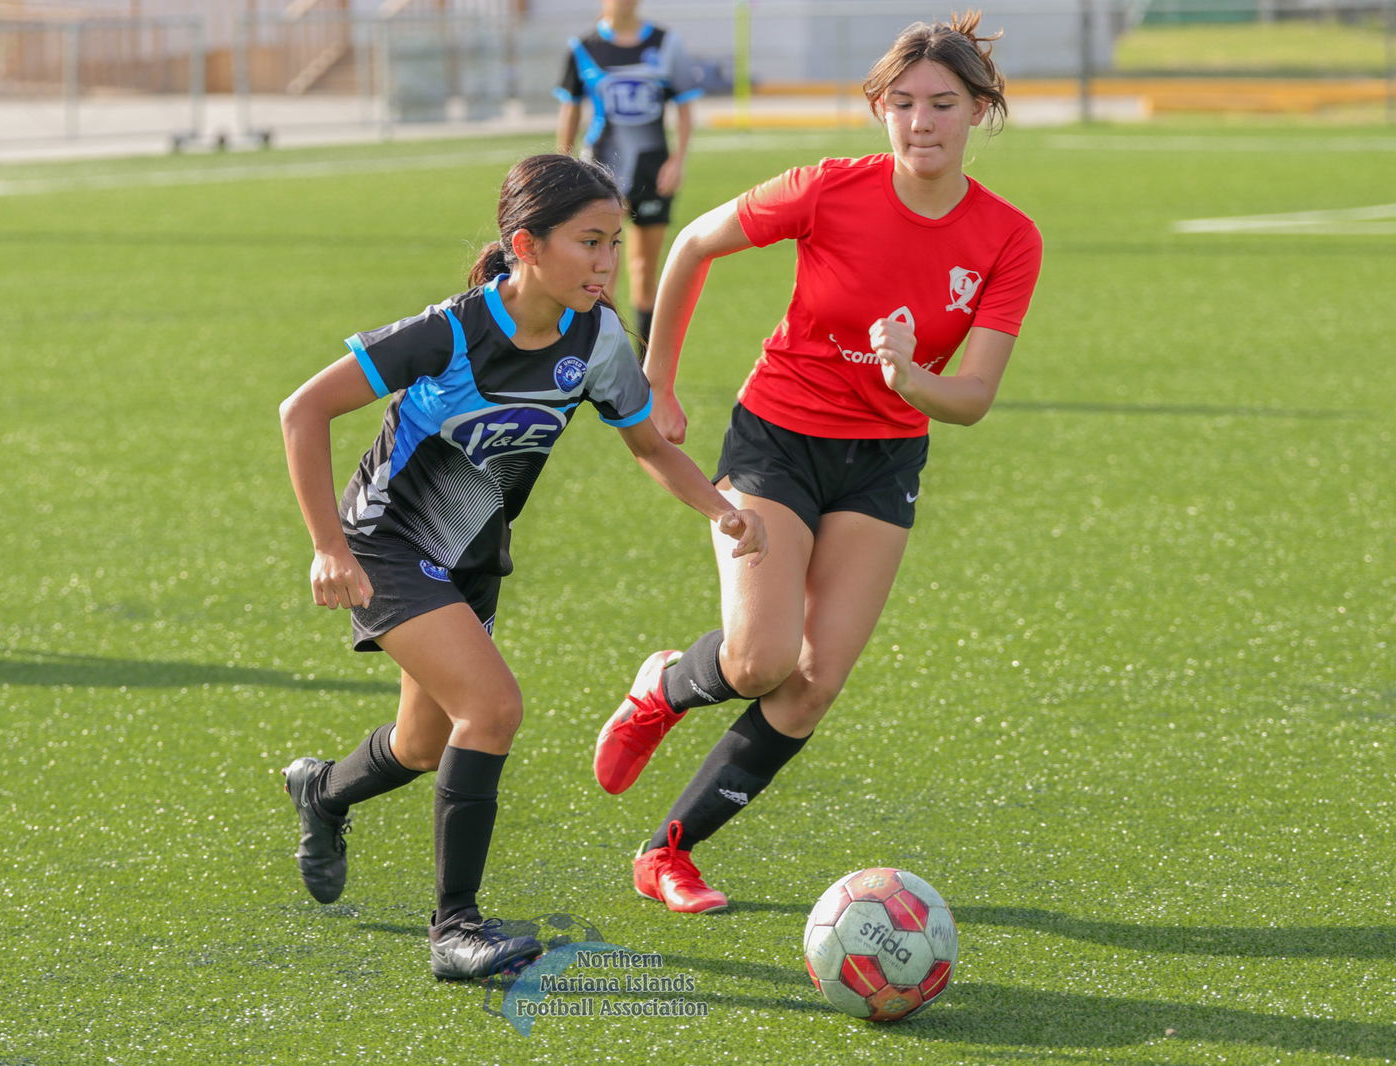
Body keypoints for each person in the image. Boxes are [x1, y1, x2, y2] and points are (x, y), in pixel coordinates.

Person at [591, 12, 1044, 913]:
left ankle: (668, 850)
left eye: (944, 104)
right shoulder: (828, 189)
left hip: (882, 461)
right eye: (904, 103)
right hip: (779, 437)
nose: (923, 122)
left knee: (813, 683)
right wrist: (657, 380)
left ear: (979, 111)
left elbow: (975, 397)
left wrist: (911, 376)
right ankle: (666, 687)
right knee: (759, 662)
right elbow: (692, 245)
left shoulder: (1007, 238)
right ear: (880, 109)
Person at [277, 154, 766, 978]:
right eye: (589, 243)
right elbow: (304, 410)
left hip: (468, 558)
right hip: (389, 543)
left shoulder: (599, 337)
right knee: (494, 707)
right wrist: (328, 545)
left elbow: (648, 443)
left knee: (422, 743)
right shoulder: (453, 331)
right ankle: (454, 930)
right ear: (525, 246)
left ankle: (321, 793)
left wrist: (718, 505)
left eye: (613, 243)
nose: (608, 263)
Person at [555, 0, 702, 356]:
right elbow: (570, 111)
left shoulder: (666, 43)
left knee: (644, 268)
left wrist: (677, 161)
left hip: (653, 169)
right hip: (602, 173)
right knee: (602, 268)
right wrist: (563, 165)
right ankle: (602, 353)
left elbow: (684, 106)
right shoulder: (583, 47)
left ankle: (645, 361)